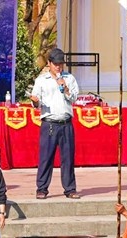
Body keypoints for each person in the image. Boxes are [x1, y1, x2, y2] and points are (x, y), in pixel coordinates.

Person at [30, 48, 80, 199]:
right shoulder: (41, 80)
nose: (58, 67)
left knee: (68, 157)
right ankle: (42, 188)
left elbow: (74, 98)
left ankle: (70, 189)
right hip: (49, 123)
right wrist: (35, 101)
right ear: (49, 63)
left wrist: (65, 88)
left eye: (61, 64)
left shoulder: (69, 78)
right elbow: (35, 101)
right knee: (46, 157)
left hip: (66, 122)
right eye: (55, 63)